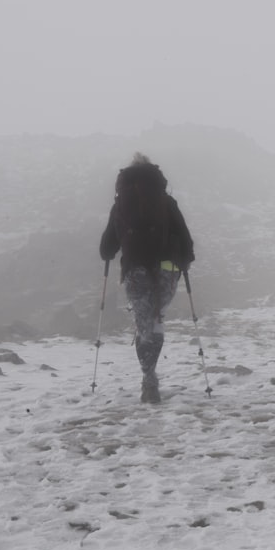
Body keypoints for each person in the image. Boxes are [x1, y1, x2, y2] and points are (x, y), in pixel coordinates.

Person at [99, 153, 195, 403]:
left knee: (145, 323)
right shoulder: (166, 201)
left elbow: (106, 248)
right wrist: (185, 261)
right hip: (166, 268)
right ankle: (150, 367)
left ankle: (149, 379)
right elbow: (185, 239)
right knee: (155, 317)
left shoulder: (120, 204)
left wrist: (110, 252)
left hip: (134, 269)